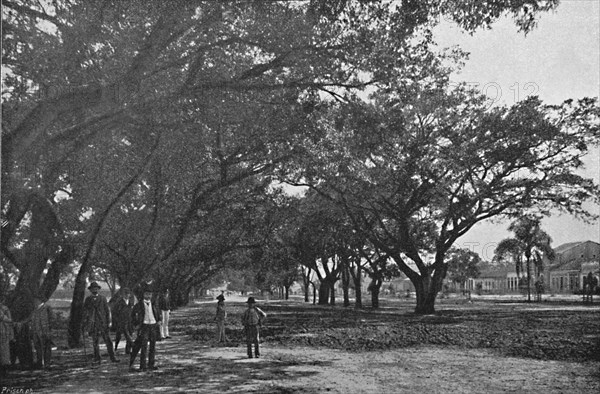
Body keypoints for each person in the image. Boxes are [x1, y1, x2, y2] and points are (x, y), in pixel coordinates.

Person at [82, 282, 119, 363]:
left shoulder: (103, 298)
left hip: (103, 323)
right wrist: (85, 323)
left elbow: (107, 310)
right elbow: (85, 312)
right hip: (93, 323)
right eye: (93, 288)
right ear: (90, 290)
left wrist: (109, 322)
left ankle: (113, 357)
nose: (94, 289)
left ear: (98, 289)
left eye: (96, 288)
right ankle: (97, 358)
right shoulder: (88, 300)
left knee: (108, 341)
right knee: (95, 341)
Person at [129, 283, 161, 372]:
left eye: (150, 294)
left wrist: (158, 320)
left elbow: (157, 313)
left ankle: (151, 364)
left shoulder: (154, 304)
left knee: (153, 346)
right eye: (147, 294)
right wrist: (136, 324)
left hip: (153, 325)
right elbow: (132, 315)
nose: (148, 296)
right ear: (143, 295)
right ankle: (143, 366)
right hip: (144, 326)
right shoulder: (139, 305)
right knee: (144, 346)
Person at [30, 297, 53, 369]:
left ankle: (47, 364)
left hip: (45, 331)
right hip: (36, 332)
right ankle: (40, 363)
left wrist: (48, 330)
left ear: (40, 300)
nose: (34, 302)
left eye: (36, 300)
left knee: (46, 347)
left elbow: (51, 319)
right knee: (38, 347)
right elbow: (32, 321)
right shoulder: (34, 310)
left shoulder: (46, 308)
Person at [113, 287, 134, 354]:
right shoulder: (119, 302)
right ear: (123, 295)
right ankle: (115, 347)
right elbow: (115, 312)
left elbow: (132, 312)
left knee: (129, 334)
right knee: (119, 336)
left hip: (129, 321)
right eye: (125, 294)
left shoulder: (130, 302)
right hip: (121, 321)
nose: (127, 295)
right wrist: (117, 321)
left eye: (128, 294)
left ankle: (128, 350)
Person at [0, 299, 14, 377]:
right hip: (4, 331)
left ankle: (4, 368)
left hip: (4, 332)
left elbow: (9, 320)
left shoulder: (5, 308)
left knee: (4, 350)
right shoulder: (5, 309)